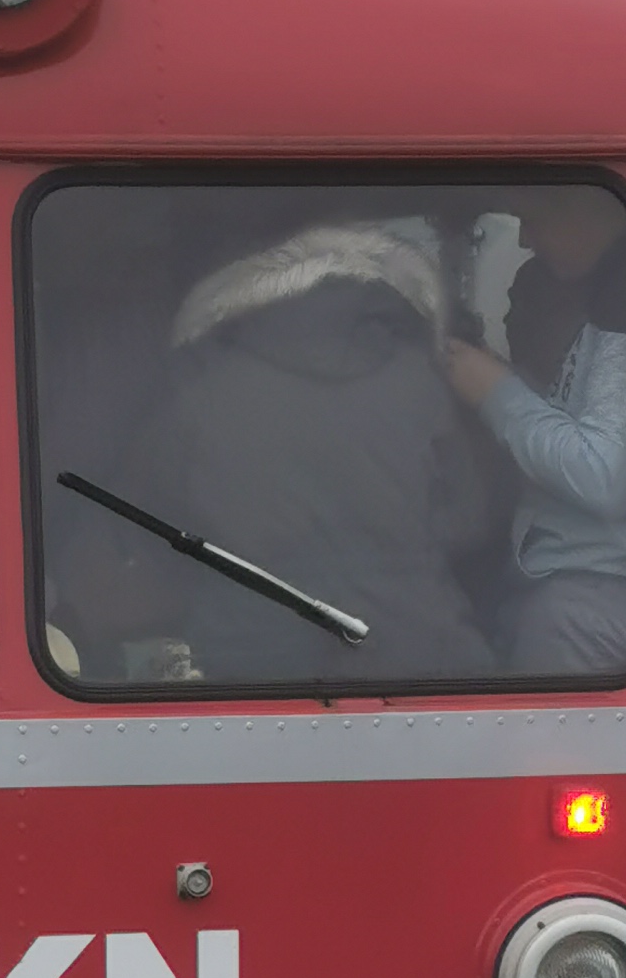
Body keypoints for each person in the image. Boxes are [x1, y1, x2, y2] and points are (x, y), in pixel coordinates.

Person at [145, 217, 498, 675]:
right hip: (406, 641)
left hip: (247, 651)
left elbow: (163, 513)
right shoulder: (420, 378)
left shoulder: (203, 383)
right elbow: (468, 519)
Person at [441, 191, 626, 674]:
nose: (511, 320)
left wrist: (496, 392)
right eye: (513, 305)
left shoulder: (602, 418)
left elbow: (600, 477)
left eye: (534, 306)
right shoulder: (509, 406)